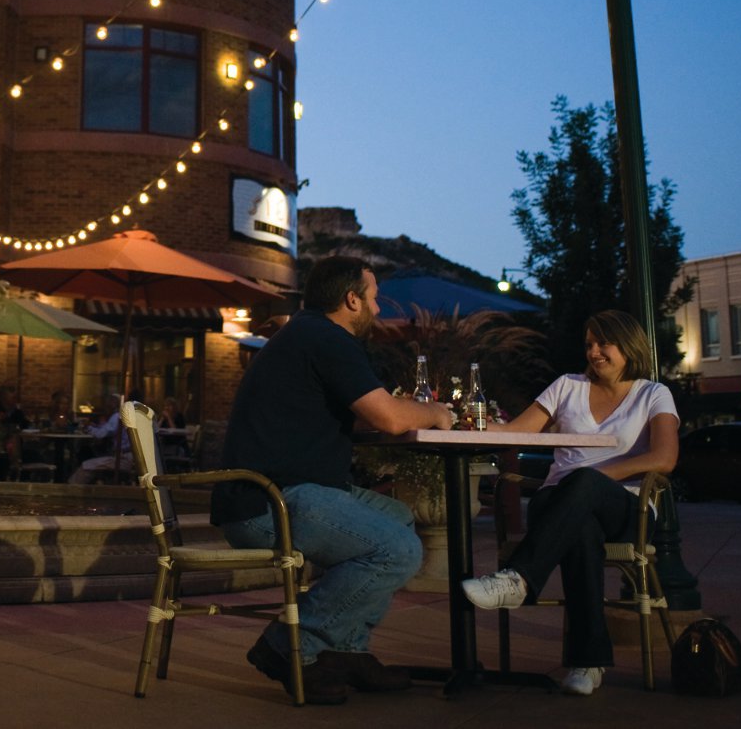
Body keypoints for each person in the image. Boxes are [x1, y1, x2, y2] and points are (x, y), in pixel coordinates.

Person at [212, 257, 454, 705]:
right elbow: (388, 416)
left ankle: (347, 651)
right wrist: (436, 413)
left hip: (280, 492)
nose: (378, 310)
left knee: (399, 518)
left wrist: (401, 412)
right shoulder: (327, 338)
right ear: (351, 300)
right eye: (375, 299)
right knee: (398, 550)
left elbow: (369, 414)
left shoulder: (305, 335)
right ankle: (287, 646)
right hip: (270, 503)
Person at [460, 309, 680, 697]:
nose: (594, 352)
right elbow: (516, 433)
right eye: (589, 344)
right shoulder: (567, 386)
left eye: (603, 343)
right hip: (558, 504)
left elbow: (664, 458)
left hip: (625, 507)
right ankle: (587, 661)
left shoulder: (653, 394)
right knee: (579, 527)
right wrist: (463, 423)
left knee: (582, 488)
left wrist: (594, 478)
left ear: (628, 345)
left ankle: (519, 579)